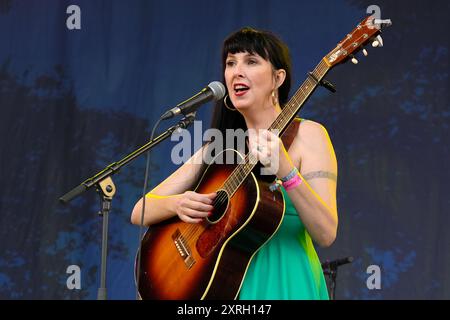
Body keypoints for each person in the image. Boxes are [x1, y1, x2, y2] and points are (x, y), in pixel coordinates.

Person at [131, 27, 338, 300]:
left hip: (287, 283)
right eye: (231, 63)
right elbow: (140, 211)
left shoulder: (309, 135)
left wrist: (286, 170)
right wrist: (177, 204)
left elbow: (325, 233)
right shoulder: (219, 148)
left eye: (251, 61)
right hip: (226, 288)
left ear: (278, 78)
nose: (236, 71)